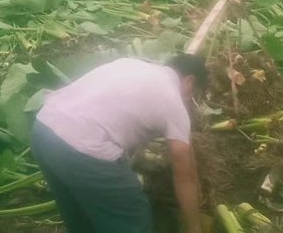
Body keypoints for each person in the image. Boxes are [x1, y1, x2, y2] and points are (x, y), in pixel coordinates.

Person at [30, 54, 208, 233]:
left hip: (44, 130)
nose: (187, 101)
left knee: (81, 220)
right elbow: (185, 176)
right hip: (83, 150)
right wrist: (194, 227)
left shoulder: (130, 64)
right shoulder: (173, 102)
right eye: (193, 95)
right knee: (132, 217)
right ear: (190, 81)